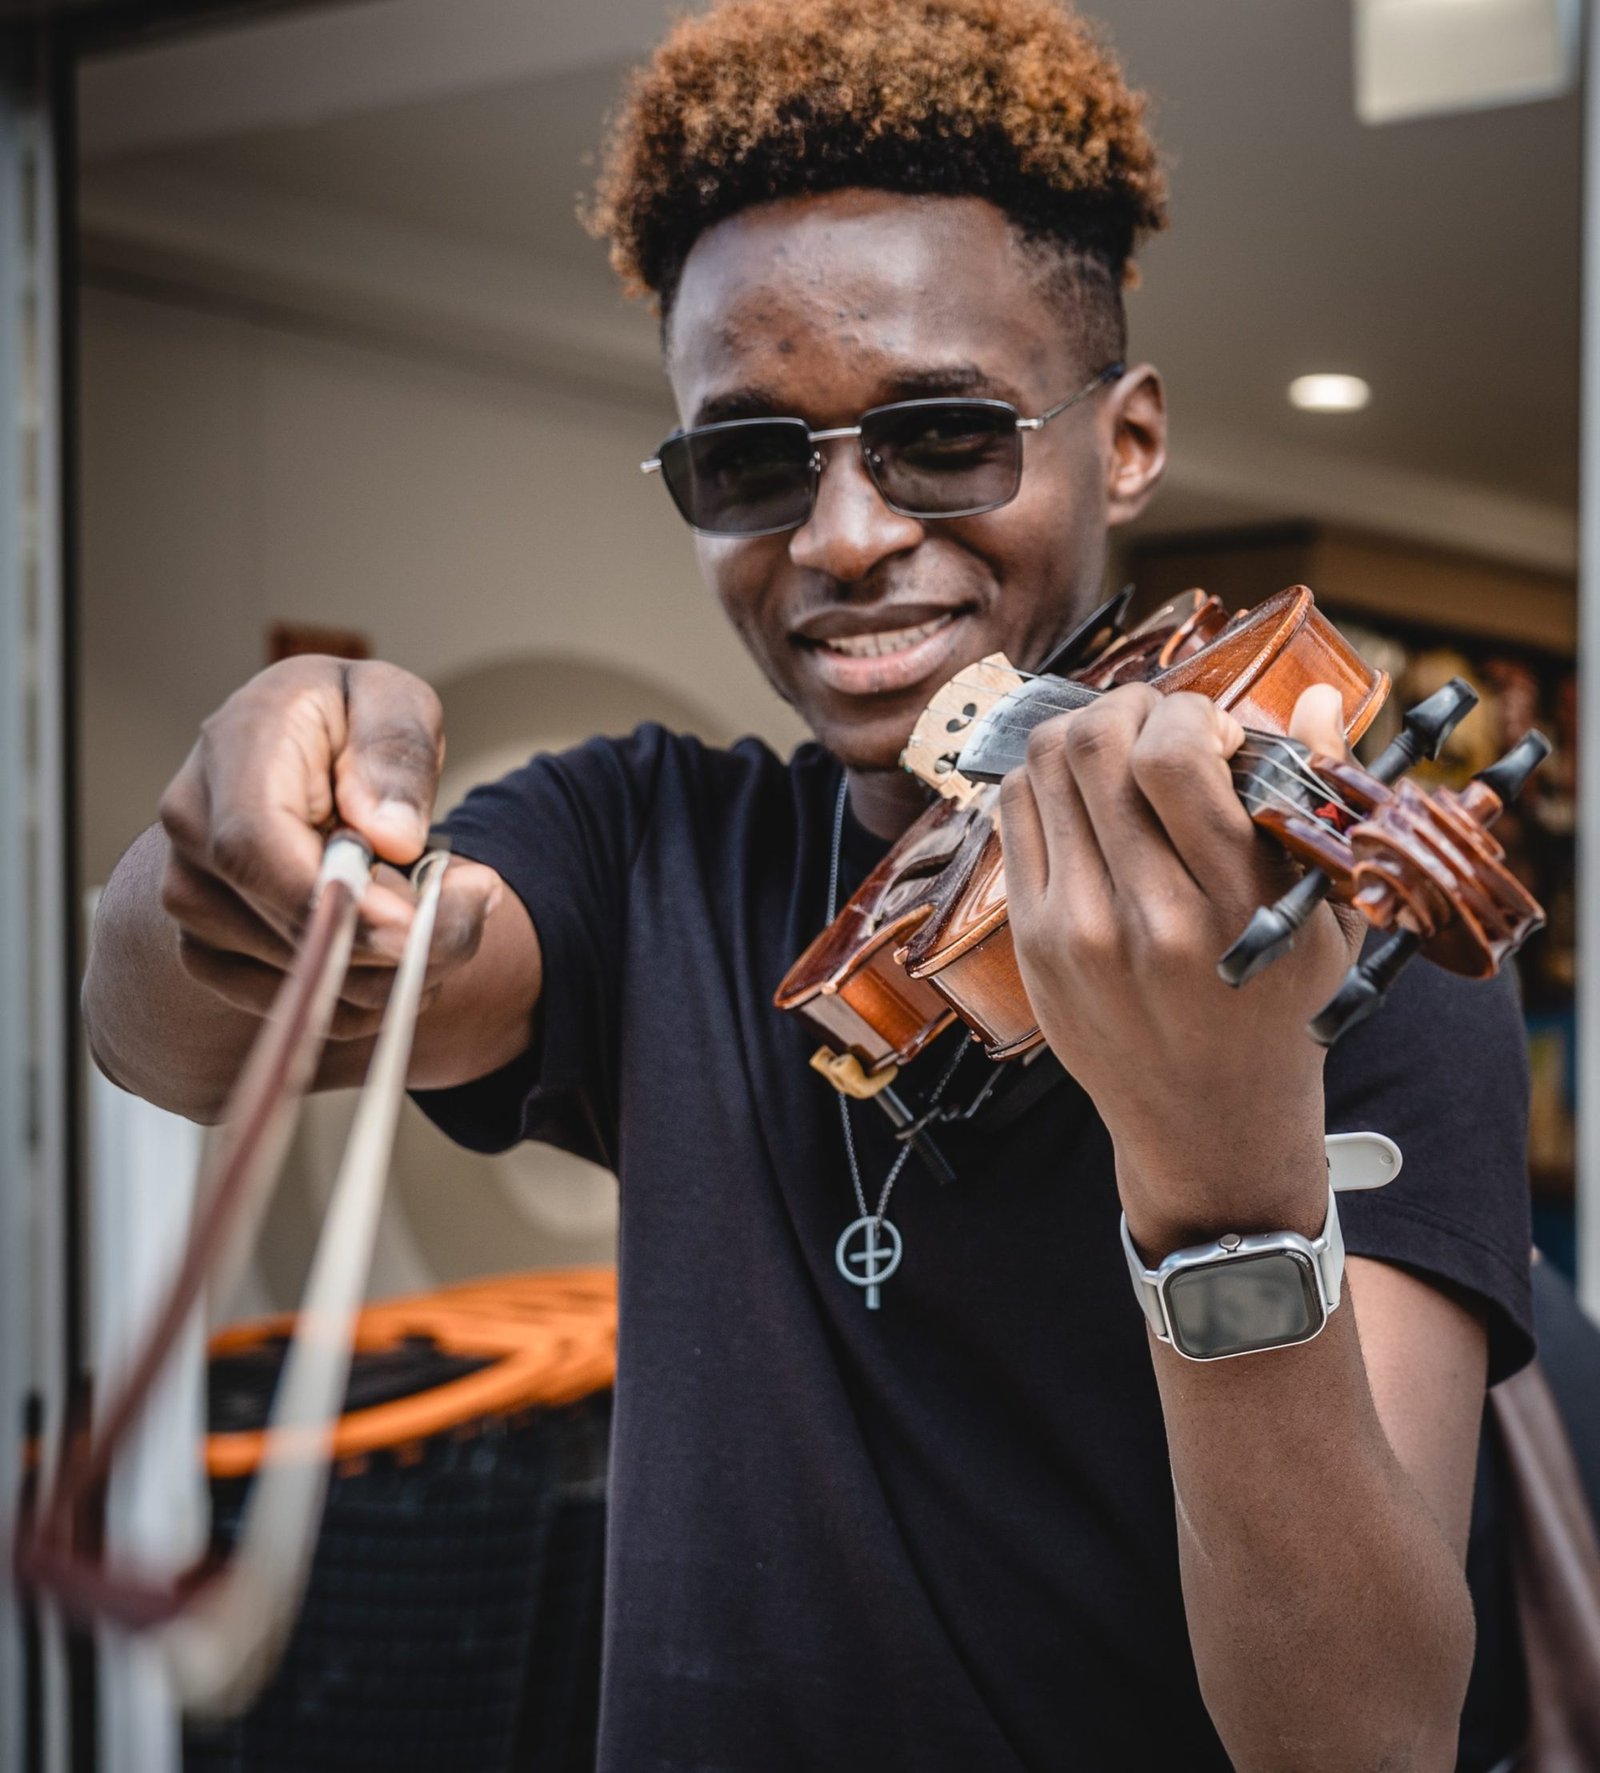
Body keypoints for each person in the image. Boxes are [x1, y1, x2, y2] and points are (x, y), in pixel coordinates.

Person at [83, 1, 1535, 1767]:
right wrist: (245, 857)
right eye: (751, 462)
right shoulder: (647, 847)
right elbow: (169, 1033)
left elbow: (1362, 1732)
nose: (843, 539)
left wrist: (1220, 1172)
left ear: (1127, 439)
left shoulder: (1348, 946)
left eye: (944, 436)